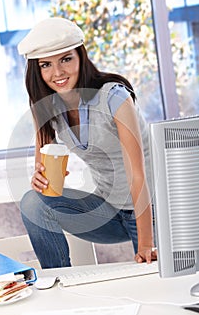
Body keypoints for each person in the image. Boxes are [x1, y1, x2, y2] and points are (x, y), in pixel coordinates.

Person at [18, 17, 157, 269]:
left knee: (153, 282)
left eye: (66, 59)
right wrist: (40, 177)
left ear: (81, 56)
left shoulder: (114, 97)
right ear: (36, 71)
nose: (57, 73)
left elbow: (138, 175)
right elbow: (44, 179)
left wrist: (146, 243)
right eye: (46, 64)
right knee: (33, 203)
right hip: (110, 212)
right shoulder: (48, 108)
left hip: (151, 212)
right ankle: (60, 282)